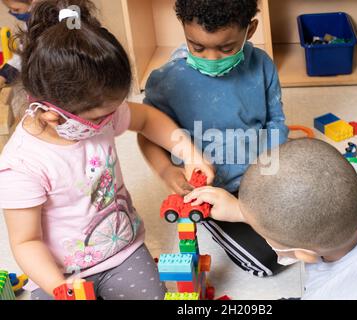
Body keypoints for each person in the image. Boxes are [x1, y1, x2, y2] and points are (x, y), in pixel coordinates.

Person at [0, 0, 213, 300]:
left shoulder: (99, 115)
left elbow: (148, 119)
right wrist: (59, 288)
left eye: (114, 111)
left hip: (121, 251)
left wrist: (190, 154)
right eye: (100, 116)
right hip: (59, 274)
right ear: (50, 113)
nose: (110, 120)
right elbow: (25, 241)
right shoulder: (22, 164)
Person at [185, 139, 357, 299]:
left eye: (263, 234)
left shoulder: (340, 292)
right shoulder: (355, 177)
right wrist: (242, 210)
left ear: (304, 254)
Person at [140, 0, 289, 277]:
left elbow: (275, 122)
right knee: (270, 259)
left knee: (311, 219)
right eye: (198, 47)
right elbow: (148, 133)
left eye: (226, 48)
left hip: (261, 176)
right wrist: (166, 170)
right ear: (184, 30)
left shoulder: (262, 66)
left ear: (251, 29)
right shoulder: (167, 80)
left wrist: (269, 172)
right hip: (212, 189)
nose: (211, 58)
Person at [0, 0, 33, 88]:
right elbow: (23, 51)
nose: (14, 13)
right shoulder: (30, 23)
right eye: (10, 10)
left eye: (16, 9)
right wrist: (4, 75)